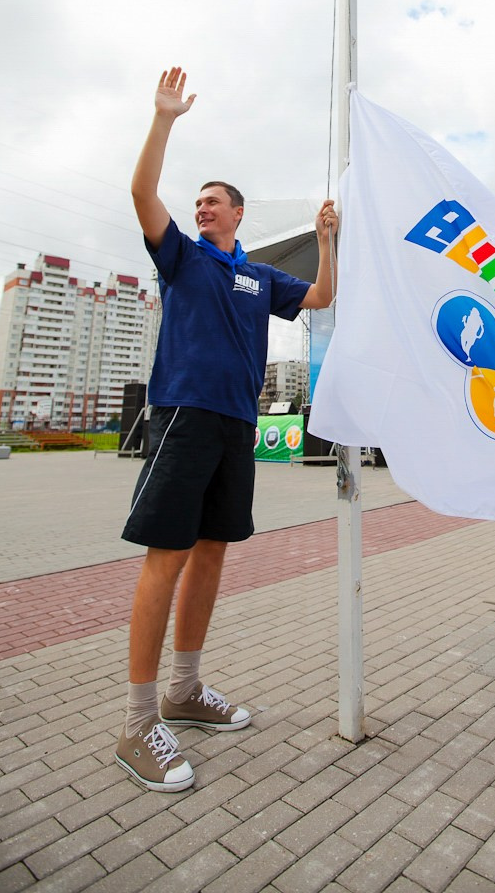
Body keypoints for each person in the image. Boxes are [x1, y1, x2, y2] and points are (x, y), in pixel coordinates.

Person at [115, 66, 338, 791]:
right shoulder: (182, 256)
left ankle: (184, 691)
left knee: (211, 554)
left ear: (237, 214)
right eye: (198, 202)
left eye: (212, 202)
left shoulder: (258, 276)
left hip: (236, 426)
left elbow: (320, 294)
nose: (200, 208)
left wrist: (328, 239)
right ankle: (138, 722)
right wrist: (163, 120)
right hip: (183, 415)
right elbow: (143, 194)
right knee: (167, 557)